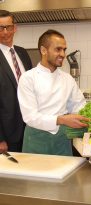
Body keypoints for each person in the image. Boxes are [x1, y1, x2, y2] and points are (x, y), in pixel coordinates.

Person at [18, 29, 89, 156]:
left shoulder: (67, 79)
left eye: (64, 49)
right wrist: (62, 119)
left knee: (64, 174)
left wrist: (90, 118)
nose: (63, 54)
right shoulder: (28, 78)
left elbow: (80, 106)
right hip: (36, 140)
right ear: (43, 50)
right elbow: (30, 117)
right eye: (58, 49)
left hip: (61, 140)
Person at [0, 10, 32, 153]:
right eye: (1, 28)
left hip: (29, 130)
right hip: (6, 134)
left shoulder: (23, 53)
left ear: (15, 27)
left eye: (9, 27)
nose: (5, 32)